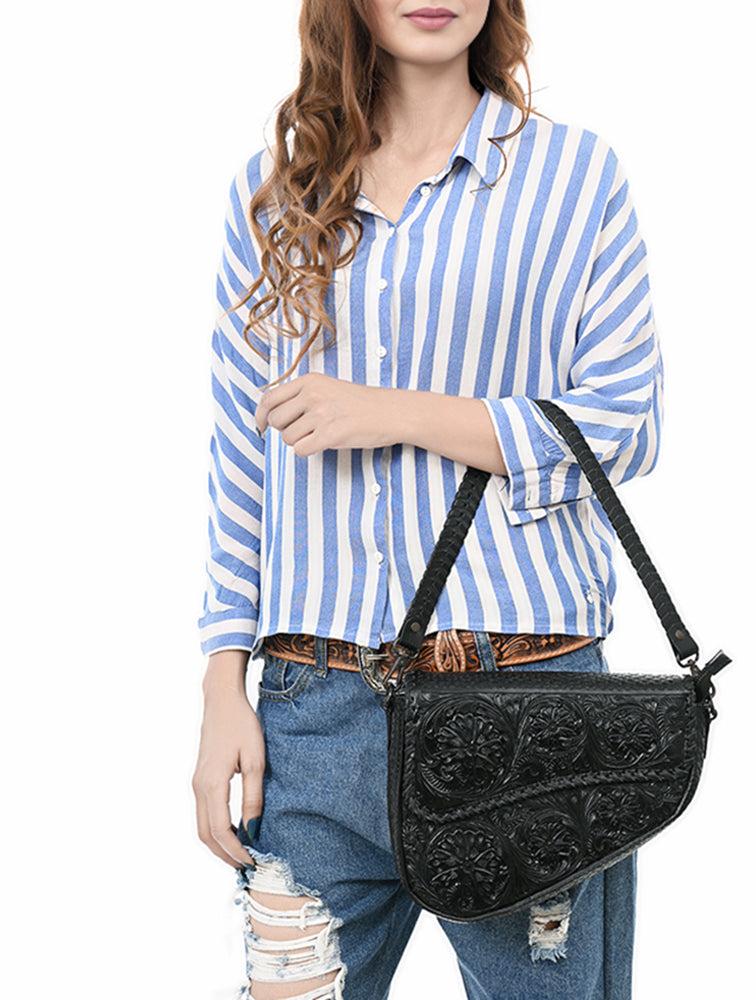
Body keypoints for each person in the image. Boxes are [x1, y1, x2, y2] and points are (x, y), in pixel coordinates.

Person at [191, 2, 665, 998]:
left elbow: (625, 425)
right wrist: (221, 685)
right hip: (310, 714)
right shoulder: (276, 194)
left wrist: (394, 412)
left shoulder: (573, 177)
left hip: (522, 708)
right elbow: (239, 455)